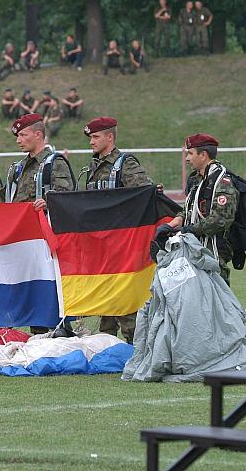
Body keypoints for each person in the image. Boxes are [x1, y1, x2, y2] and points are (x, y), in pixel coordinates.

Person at [77, 117, 152, 344]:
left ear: (110, 137)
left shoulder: (125, 164)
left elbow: (144, 193)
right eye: (91, 137)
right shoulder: (91, 167)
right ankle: (107, 342)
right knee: (106, 295)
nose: (91, 142)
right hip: (99, 244)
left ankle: (136, 344)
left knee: (125, 298)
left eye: (96, 137)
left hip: (121, 244)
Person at [5, 114, 74, 334]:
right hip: (24, 240)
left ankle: (58, 332)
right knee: (31, 287)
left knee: (49, 288)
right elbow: (9, 199)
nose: (18, 140)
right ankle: (38, 332)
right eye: (17, 135)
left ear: (38, 134)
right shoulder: (17, 168)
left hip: (46, 241)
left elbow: (68, 196)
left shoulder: (55, 163)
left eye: (23, 134)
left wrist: (50, 202)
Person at [165, 134, 238, 286]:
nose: (186, 158)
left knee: (217, 302)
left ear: (203, 155)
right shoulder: (197, 179)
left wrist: (188, 230)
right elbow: (191, 208)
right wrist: (179, 219)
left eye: (190, 153)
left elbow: (220, 220)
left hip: (213, 251)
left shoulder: (222, 182)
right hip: (195, 248)